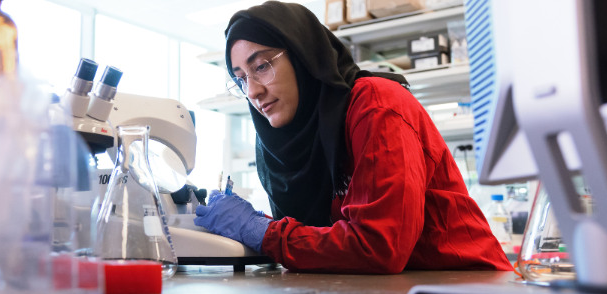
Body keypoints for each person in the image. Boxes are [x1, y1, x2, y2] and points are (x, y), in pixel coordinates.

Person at [193, 1, 513, 274]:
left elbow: (380, 246)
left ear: (303, 56)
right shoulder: (274, 148)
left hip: (465, 283)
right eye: (240, 79)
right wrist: (252, 226)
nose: (252, 91)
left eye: (261, 66)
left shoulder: (376, 105)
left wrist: (260, 231)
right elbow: (312, 240)